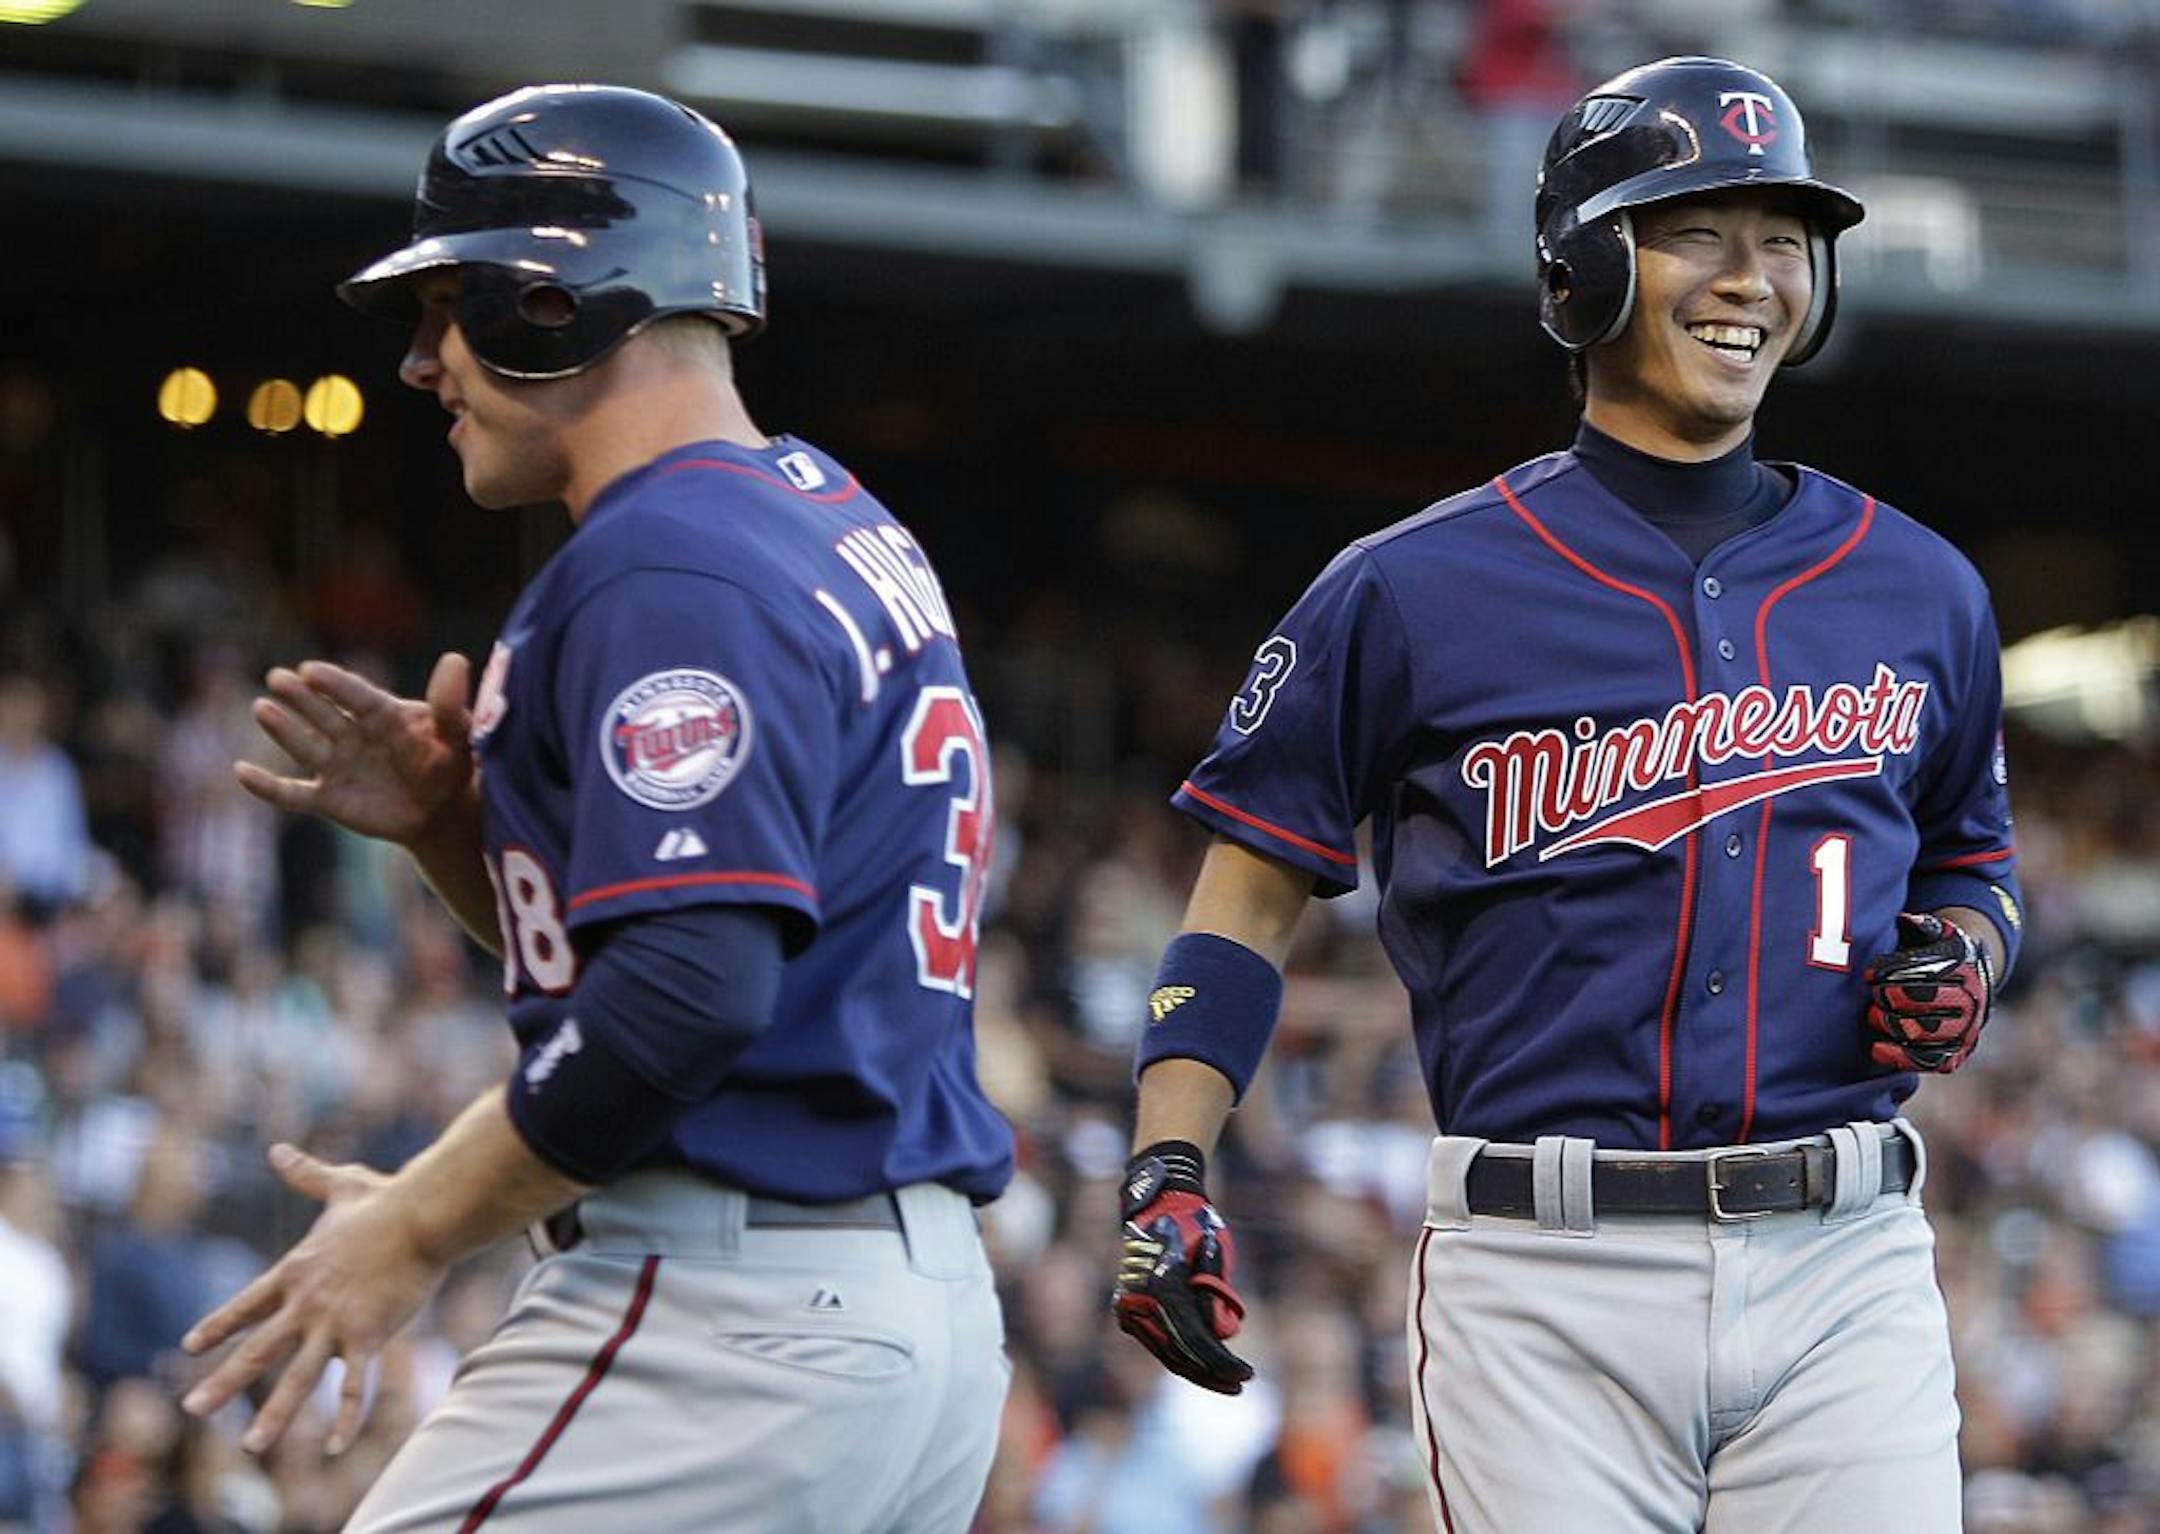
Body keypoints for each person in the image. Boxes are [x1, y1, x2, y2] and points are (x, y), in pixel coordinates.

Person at [1112, 56, 2023, 1533]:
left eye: (1785, 241)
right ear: (1584, 260)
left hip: (1843, 1253)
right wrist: (1166, 1167)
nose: (1753, 279)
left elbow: (1974, 863)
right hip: (1547, 1275)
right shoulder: (1411, 588)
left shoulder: (1919, 585)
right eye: (1699, 232)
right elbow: (1242, 900)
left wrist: (1963, 957)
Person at [178, 83, 1014, 1533]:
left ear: (549, 302)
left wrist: (417, 1227)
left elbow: (689, 995)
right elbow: (693, 960)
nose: (424, 363)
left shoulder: (664, 561)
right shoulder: (820, 508)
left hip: (726, 1321)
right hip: (891, 1313)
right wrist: (464, 832)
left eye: (449, 305)